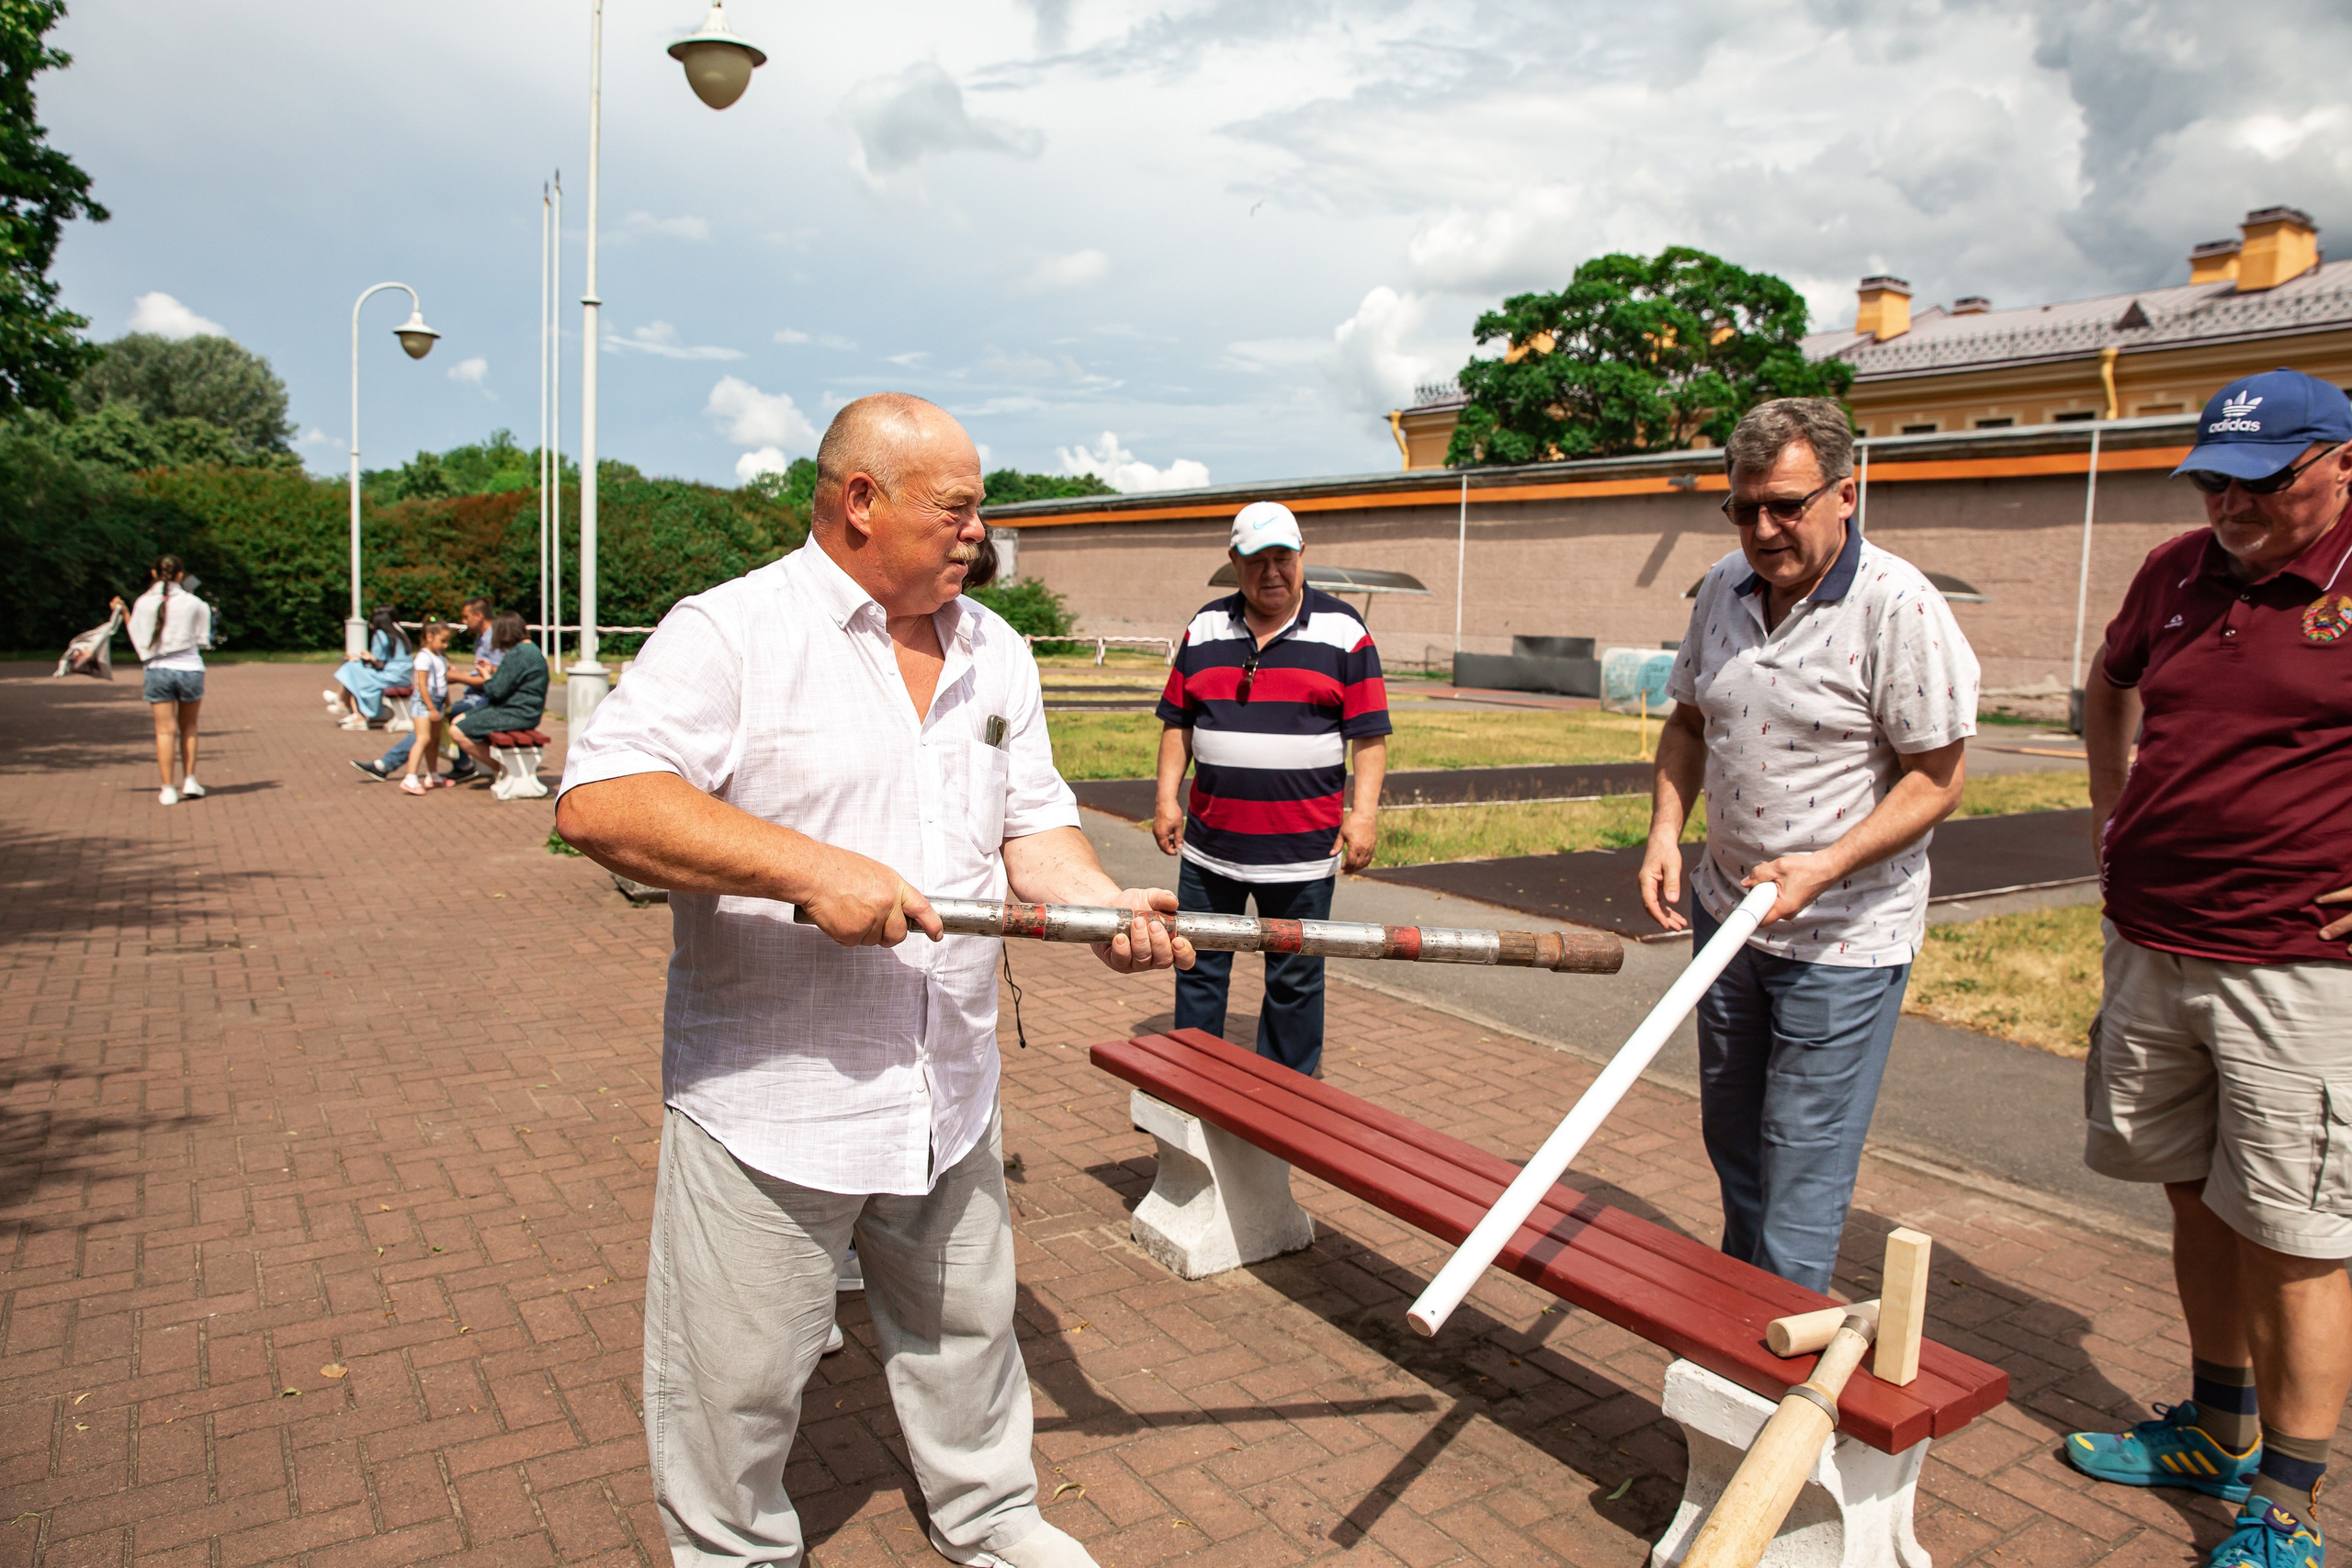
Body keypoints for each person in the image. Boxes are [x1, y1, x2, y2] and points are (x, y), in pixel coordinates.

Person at [554, 392, 1188, 1568]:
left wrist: (1098, 903)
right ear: (861, 501)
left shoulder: (995, 649)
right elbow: (602, 801)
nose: (978, 532)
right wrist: (810, 869)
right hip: (771, 1101)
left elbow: (1034, 824)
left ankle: (991, 1518)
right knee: (736, 1376)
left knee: (967, 1336)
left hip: (948, 1085)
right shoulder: (732, 632)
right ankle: (734, 1551)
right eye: (956, 508)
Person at [2064, 368, 2352, 1568]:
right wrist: (2110, 815)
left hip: (2295, 964)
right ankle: (2216, 1425)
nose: (2231, 505)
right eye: (2213, 482)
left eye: (2263, 482)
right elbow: (2109, 684)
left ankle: (2286, 1499)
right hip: (2153, 939)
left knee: (2294, 1231)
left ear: (2340, 464)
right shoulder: (2175, 570)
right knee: (2192, 1190)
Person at [1638, 397, 1978, 1294]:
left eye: (1786, 506)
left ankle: (1769, 1353)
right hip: (1728, 915)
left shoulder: (1898, 607)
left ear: (1845, 495)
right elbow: (1687, 723)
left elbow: (1937, 779)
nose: (1762, 530)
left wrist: (1823, 867)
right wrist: (1666, 831)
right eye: (1743, 508)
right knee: (1734, 1137)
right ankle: (1736, 1314)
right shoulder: (1723, 587)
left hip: (1843, 938)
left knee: (1800, 1157)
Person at [1151, 502, 1388, 1078]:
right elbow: (1178, 723)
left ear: (1302, 555)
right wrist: (1165, 799)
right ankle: (1194, 1083)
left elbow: (1369, 735)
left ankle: (1286, 1093)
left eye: (1283, 557)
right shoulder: (1205, 627)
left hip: (1303, 852)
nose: (1272, 572)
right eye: (1257, 560)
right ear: (1234, 561)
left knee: (1296, 978)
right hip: (1211, 849)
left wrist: (1363, 815)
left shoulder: (1345, 631)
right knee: (1199, 967)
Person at [356, 598, 497, 783]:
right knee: (431, 723)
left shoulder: (493, 639)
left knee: (429, 724)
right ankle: (458, 766)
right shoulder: (482, 638)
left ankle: (388, 766)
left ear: (478, 616)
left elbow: (493, 679)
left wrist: (455, 677)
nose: (463, 621)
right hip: (473, 697)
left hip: (483, 700)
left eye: (466, 617)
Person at [112, 554, 211, 806]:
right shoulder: (196, 603)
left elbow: (138, 636)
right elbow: (203, 640)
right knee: (189, 727)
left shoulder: (144, 602)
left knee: (164, 731)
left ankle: (168, 789)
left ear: (154, 573)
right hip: (190, 669)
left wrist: (124, 612)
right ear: (180, 575)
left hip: (158, 670)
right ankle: (190, 780)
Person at [447, 612, 548, 780]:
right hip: (525, 711)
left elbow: (495, 691)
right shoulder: (529, 649)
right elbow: (508, 680)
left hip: (518, 713)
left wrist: (485, 676)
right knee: (459, 719)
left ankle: (505, 770)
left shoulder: (518, 653)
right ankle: (501, 767)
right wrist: (491, 671)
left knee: (457, 730)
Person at [327, 608, 411, 730]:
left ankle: (353, 711)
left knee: (352, 669)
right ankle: (344, 703)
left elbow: (378, 662)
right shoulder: (399, 633)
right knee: (354, 669)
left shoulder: (380, 635)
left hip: (390, 677)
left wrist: (364, 657)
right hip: (404, 677)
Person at [398, 622, 456, 796]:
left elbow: (442, 682)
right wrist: (431, 708)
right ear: (429, 637)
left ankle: (433, 774)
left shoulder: (440, 656)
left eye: (447, 641)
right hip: (423, 704)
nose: (445, 645)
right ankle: (410, 777)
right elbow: (422, 685)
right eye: (442, 641)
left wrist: (447, 703)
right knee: (423, 738)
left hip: (437, 702)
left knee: (434, 740)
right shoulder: (423, 657)